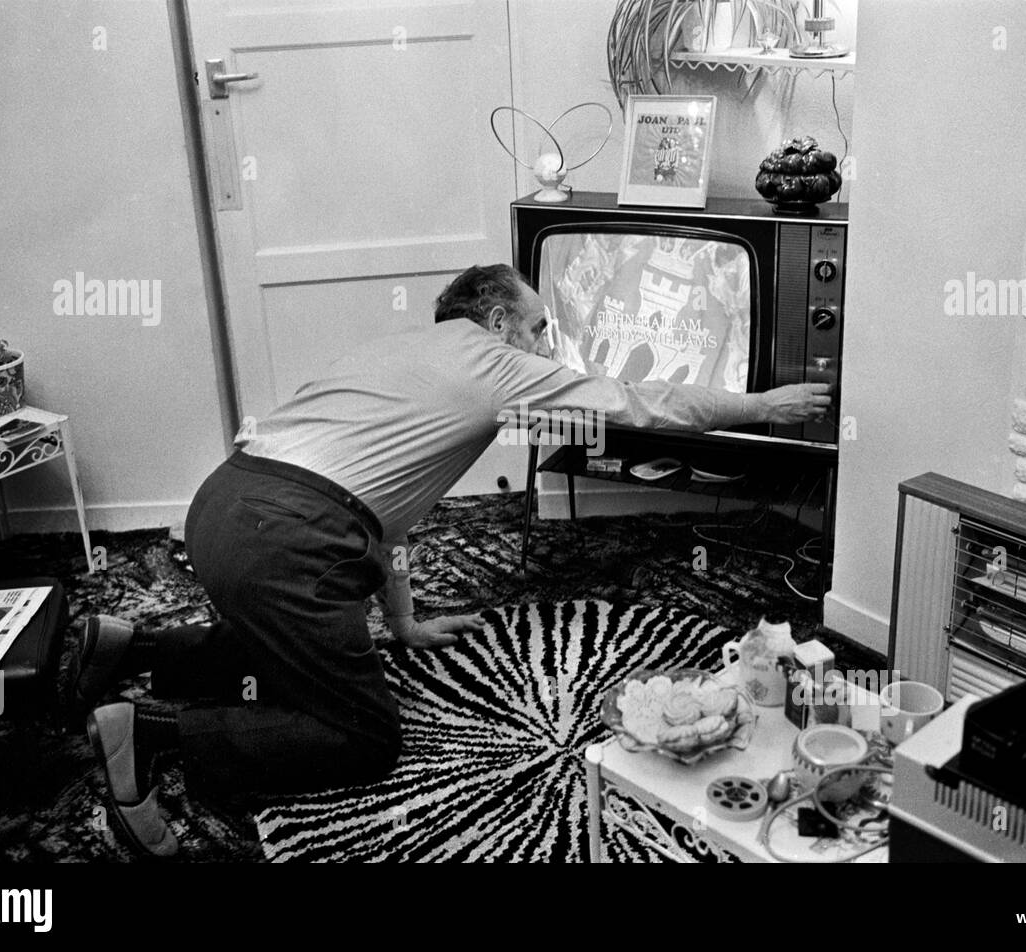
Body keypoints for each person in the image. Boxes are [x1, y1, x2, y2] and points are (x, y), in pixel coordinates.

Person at [68, 263, 831, 857]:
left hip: (224, 510)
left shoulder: (397, 351)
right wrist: (763, 408)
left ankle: (131, 644)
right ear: (497, 322)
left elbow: (385, 511)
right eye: (536, 329)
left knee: (283, 643)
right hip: (291, 542)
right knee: (362, 736)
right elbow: (642, 400)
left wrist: (401, 621)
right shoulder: (492, 363)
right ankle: (152, 729)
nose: (544, 349)